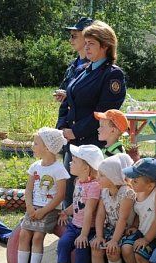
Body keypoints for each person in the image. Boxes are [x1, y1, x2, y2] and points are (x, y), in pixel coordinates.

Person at [56, 20, 126, 207]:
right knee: (72, 192)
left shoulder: (112, 74)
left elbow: (103, 112)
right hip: (72, 142)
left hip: (92, 144)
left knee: (90, 197)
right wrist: (62, 126)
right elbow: (68, 100)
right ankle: (71, 230)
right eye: (85, 43)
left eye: (91, 43)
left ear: (105, 46)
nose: (86, 47)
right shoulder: (83, 70)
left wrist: (76, 131)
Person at [5, 128, 69, 263]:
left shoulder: (59, 169)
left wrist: (43, 210)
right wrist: (29, 206)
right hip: (33, 208)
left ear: (47, 147)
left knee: (37, 238)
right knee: (24, 235)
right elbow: (28, 189)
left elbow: (60, 195)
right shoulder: (35, 166)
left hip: (48, 210)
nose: (32, 146)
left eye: (35, 143)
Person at [55, 144, 103, 263]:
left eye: (74, 161)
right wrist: (65, 212)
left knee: (81, 248)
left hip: (88, 229)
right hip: (74, 225)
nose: (70, 162)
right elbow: (76, 203)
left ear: (86, 168)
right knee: (62, 244)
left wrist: (83, 234)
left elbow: (89, 211)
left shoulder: (94, 186)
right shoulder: (78, 182)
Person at [88, 154, 135, 263]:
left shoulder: (126, 193)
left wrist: (114, 240)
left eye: (101, 175)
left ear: (113, 177)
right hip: (110, 228)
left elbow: (123, 219)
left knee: (112, 250)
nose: (97, 178)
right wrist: (100, 236)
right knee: (96, 247)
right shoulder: (104, 192)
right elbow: (100, 215)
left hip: (124, 230)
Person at [54, 17, 93, 103]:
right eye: (70, 36)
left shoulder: (95, 67)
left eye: (74, 36)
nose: (70, 40)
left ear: (87, 38)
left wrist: (69, 97)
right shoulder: (72, 65)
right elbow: (64, 89)